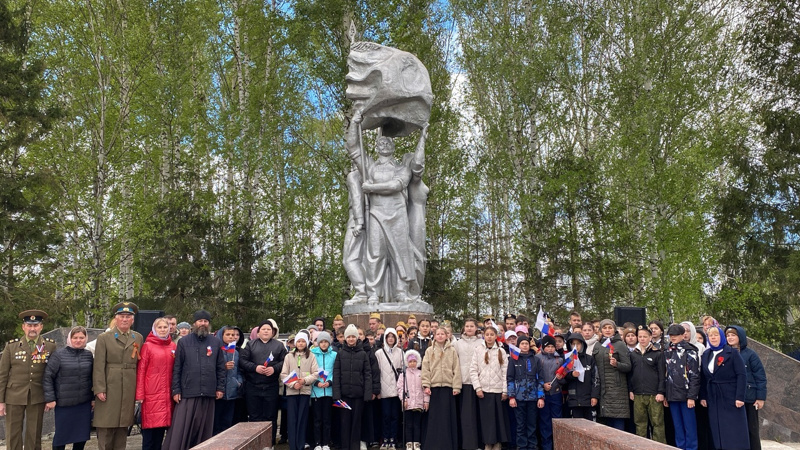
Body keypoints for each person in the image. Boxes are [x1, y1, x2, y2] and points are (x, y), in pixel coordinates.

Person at [162, 310, 226, 450]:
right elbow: (177, 367)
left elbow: (220, 367)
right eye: (200, 321)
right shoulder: (184, 342)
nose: (203, 324)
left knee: (204, 429)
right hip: (188, 392)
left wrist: (220, 387)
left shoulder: (215, 342)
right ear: (194, 323)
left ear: (209, 324)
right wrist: (176, 390)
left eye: (205, 321)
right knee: (182, 429)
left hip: (209, 392)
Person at [93, 302, 143, 450]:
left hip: (129, 385)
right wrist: (99, 388)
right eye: (122, 316)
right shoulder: (105, 337)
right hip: (110, 383)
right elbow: (99, 365)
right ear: (116, 318)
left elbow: (140, 364)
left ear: (133, 320)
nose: (125, 319)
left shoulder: (138, 337)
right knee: (106, 425)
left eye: (128, 316)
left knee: (123, 426)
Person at [43, 326, 93, 450]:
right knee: (61, 437)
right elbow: (48, 376)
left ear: (85, 339)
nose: (78, 340)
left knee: (81, 437)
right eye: (75, 337)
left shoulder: (88, 355)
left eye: (81, 337)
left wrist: (93, 398)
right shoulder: (59, 355)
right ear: (69, 338)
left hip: (83, 404)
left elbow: (92, 378)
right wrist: (50, 399)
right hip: (64, 404)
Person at [700, 326, 749, 450]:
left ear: (721, 337)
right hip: (713, 397)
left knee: (731, 427)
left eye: (716, 335)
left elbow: (741, 375)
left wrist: (739, 397)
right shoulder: (706, 354)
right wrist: (703, 396)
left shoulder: (732, 353)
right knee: (716, 427)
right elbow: (703, 377)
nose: (713, 338)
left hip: (730, 395)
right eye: (710, 336)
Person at [239, 319, 287, 447]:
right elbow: (242, 361)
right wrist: (255, 367)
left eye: (269, 329)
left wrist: (274, 368)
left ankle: (269, 444)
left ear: (273, 332)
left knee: (270, 416)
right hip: (253, 386)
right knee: (254, 416)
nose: (266, 331)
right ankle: (255, 444)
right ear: (258, 332)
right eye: (263, 329)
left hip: (271, 386)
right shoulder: (250, 345)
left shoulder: (279, 345)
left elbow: (285, 361)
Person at [136, 317, 178, 450]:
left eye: (165, 327)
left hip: (167, 395)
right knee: (149, 435)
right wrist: (140, 394)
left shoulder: (173, 346)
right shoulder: (148, 346)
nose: (162, 330)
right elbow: (141, 370)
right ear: (154, 329)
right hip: (151, 395)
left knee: (160, 433)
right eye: (159, 327)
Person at [725, 325, 766, 450]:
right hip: (731, 398)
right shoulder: (725, 353)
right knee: (735, 430)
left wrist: (760, 397)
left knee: (751, 429)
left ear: (740, 337)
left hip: (749, 397)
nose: (730, 338)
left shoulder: (750, 355)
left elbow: (760, 376)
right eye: (728, 335)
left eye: (733, 335)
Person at [333, 324, 373, 450]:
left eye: (353, 337)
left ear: (357, 338)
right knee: (344, 423)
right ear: (345, 338)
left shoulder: (363, 354)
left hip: (358, 395)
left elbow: (367, 375)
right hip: (344, 396)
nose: (351, 339)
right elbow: (336, 374)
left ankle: (355, 446)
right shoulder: (340, 354)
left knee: (356, 424)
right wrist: (337, 395)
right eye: (348, 337)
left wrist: (367, 394)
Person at [421, 327, 461, 450]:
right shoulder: (429, 350)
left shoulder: (452, 351)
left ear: (446, 336)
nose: (440, 336)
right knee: (435, 418)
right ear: (434, 336)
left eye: (442, 334)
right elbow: (425, 368)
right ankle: (433, 444)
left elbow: (456, 369)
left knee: (447, 418)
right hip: (434, 387)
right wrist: (426, 384)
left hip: (448, 388)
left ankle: (448, 444)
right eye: (437, 334)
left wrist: (457, 386)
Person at [469, 325, 508, 450]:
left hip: (498, 391)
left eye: (492, 335)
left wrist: (504, 390)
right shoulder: (478, 350)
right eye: (487, 335)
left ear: (496, 336)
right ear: (483, 336)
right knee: (486, 420)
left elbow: (505, 372)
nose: (489, 337)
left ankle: (497, 443)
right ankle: (487, 443)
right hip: (484, 391)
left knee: (498, 420)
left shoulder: (501, 351)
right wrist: (478, 388)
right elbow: (473, 370)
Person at [281, 332, 320, 450]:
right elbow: (283, 375)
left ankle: (301, 444)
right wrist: (293, 384)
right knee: (292, 420)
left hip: (305, 392)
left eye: (303, 341)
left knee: (302, 420)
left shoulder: (311, 356)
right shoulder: (289, 356)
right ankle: (293, 445)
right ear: (295, 343)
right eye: (298, 341)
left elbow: (315, 373)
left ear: (307, 342)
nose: (301, 343)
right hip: (292, 393)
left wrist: (304, 381)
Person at [665, 324, 700, 450]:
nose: (673, 337)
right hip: (672, 394)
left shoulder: (690, 350)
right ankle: (680, 447)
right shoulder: (667, 350)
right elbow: (665, 374)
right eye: (671, 335)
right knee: (677, 426)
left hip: (686, 395)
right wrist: (666, 395)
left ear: (682, 335)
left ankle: (691, 448)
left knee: (689, 426)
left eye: (675, 335)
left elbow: (695, 375)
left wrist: (691, 396)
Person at [628, 325, 666, 443]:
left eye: (645, 336)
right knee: (640, 423)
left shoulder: (657, 353)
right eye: (640, 336)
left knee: (657, 423)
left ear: (650, 337)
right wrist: (631, 390)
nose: (642, 339)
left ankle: (659, 446)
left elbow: (662, 374)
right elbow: (630, 374)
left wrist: (661, 392)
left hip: (654, 395)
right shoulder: (633, 354)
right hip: (638, 394)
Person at [593, 318, 631, 430]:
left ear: (614, 330)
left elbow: (628, 366)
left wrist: (617, 364)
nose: (607, 330)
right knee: (605, 424)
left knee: (617, 422)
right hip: (602, 388)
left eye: (610, 328)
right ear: (600, 330)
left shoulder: (620, 345)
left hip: (617, 389)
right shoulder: (598, 345)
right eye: (605, 328)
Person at [506, 336, 540, 450]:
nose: (525, 345)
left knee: (532, 424)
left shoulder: (535, 359)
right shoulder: (513, 359)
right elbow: (510, 378)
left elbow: (540, 379)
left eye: (526, 343)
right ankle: (521, 446)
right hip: (519, 398)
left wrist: (541, 397)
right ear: (518, 346)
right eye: (522, 344)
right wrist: (511, 396)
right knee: (520, 424)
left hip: (532, 397)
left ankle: (532, 445)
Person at [454, 319, 483, 450]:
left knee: (479, 415)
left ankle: (481, 443)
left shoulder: (482, 343)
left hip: (479, 383)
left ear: (476, 328)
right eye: (467, 326)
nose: (469, 328)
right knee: (466, 417)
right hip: (464, 382)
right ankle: (467, 445)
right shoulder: (457, 343)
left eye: (472, 326)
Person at [375, 328, 403, 450]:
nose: (390, 339)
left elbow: (402, 372)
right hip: (384, 389)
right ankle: (385, 438)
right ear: (385, 338)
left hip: (397, 390)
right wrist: (378, 390)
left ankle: (393, 439)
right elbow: (377, 372)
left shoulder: (401, 352)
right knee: (386, 415)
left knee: (395, 416)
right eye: (388, 336)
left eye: (393, 336)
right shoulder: (379, 353)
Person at [213, 325, 244, 435]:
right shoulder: (216, 351)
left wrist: (238, 382)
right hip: (218, 392)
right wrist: (224, 367)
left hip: (232, 392)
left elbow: (239, 371)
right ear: (221, 335)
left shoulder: (235, 352)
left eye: (233, 335)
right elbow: (211, 370)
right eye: (228, 335)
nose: (231, 337)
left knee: (228, 423)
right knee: (216, 423)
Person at [564, 333, 599, 420]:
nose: (576, 346)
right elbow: (563, 377)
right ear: (570, 345)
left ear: (583, 344)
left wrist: (594, 396)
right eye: (573, 344)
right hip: (574, 400)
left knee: (590, 426)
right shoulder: (567, 359)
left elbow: (595, 378)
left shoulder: (590, 359)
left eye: (578, 344)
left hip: (588, 400)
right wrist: (571, 375)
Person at [311, 331, 336, 450]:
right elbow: (309, 371)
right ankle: (317, 443)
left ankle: (325, 443)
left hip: (328, 391)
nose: (324, 344)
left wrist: (330, 382)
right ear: (318, 343)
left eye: (326, 342)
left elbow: (336, 371)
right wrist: (317, 382)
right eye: (322, 342)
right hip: (316, 391)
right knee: (317, 419)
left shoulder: (334, 355)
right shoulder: (312, 354)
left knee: (327, 418)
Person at [397, 349, 426, 450]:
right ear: (407, 362)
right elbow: (400, 388)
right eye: (410, 361)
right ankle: (409, 442)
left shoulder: (421, 373)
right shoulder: (403, 374)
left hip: (418, 403)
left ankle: (417, 442)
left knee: (417, 424)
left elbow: (425, 388)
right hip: (407, 403)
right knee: (408, 424)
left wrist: (426, 401)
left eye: (414, 361)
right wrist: (403, 399)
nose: (412, 363)